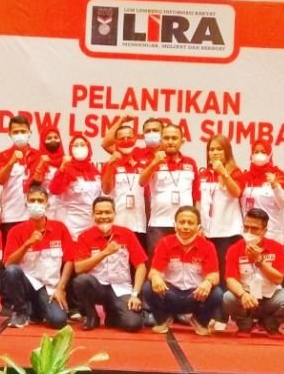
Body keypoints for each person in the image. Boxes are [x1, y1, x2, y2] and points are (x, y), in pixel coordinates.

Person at [143, 205, 223, 336]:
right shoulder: (165, 243)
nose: (185, 227)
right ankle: (163, 319)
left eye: (190, 223)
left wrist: (208, 282)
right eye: (182, 222)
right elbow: (153, 272)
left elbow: (215, 275)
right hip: (170, 294)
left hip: (195, 295)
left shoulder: (208, 246)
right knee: (148, 287)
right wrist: (156, 277)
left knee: (217, 293)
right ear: (175, 225)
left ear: (198, 227)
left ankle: (200, 321)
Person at [1, 185, 74, 329]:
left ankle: (36, 310)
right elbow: (8, 264)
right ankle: (21, 312)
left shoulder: (60, 228)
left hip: (49, 288)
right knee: (12, 271)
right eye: (32, 200)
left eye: (40, 201)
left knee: (58, 321)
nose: (36, 204)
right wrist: (27, 244)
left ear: (47, 204)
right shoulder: (16, 231)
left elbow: (69, 261)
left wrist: (60, 288)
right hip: (27, 284)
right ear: (26, 204)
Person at [71, 196, 147, 332]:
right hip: (98, 286)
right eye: (99, 213)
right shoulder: (85, 236)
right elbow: (78, 268)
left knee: (133, 324)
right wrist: (105, 252)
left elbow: (141, 266)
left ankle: (113, 313)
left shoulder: (127, 234)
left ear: (114, 214)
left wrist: (135, 295)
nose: (104, 216)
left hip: (121, 287)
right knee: (81, 281)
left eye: (107, 212)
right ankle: (92, 315)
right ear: (93, 215)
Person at [222, 208, 284, 337]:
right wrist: (243, 294)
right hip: (246, 297)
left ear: (264, 231)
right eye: (246, 227)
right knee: (228, 297)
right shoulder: (234, 249)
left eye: (254, 229)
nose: (249, 232)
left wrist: (259, 261)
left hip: (270, 296)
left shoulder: (276, 247)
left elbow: (278, 279)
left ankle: (270, 324)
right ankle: (244, 324)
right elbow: (230, 280)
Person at [139, 124, 200, 256]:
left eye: (174, 138)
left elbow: (197, 195)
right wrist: (154, 163)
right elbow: (142, 182)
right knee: (156, 262)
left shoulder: (190, 162)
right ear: (161, 140)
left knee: (184, 262)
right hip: (159, 224)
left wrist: (198, 224)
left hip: (185, 225)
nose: (170, 141)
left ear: (182, 141)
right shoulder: (154, 161)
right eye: (166, 138)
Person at [197, 134, 244, 291]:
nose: (215, 152)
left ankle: (225, 306)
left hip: (228, 232)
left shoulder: (235, 172)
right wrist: (199, 225)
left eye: (219, 149)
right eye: (211, 149)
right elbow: (198, 201)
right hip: (206, 233)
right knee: (207, 273)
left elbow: (236, 192)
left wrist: (223, 173)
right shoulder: (204, 174)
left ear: (227, 152)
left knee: (225, 275)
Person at [0, 114, 41, 245]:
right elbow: (0, 180)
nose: (20, 135)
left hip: (35, 215)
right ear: (9, 134)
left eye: (23, 131)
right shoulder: (3, 156)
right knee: (11, 255)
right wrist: (11, 162)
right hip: (11, 216)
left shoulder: (39, 156)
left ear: (30, 132)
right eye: (16, 132)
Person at [48, 134, 103, 238]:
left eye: (82, 144)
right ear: (70, 149)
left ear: (89, 148)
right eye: (76, 145)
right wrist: (62, 169)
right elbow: (54, 190)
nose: (79, 148)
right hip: (71, 225)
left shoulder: (94, 170)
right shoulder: (67, 168)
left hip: (92, 223)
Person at [238, 138, 284, 243]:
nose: (259, 155)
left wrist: (275, 185)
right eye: (256, 152)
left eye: (263, 152)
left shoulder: (278, 175)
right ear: (251, 155)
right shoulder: (244, 178)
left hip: (271, 235)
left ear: (270, 154)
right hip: (248, 234)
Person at [100, 123, 147, 241]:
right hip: (117, 222)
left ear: (135, 139)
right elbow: (106, 190)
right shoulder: (110, 164)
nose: (126, 141)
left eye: (129, 137)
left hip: (139, 224)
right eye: (122, 138)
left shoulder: (143, 164)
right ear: (116, 141)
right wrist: (110, 166)